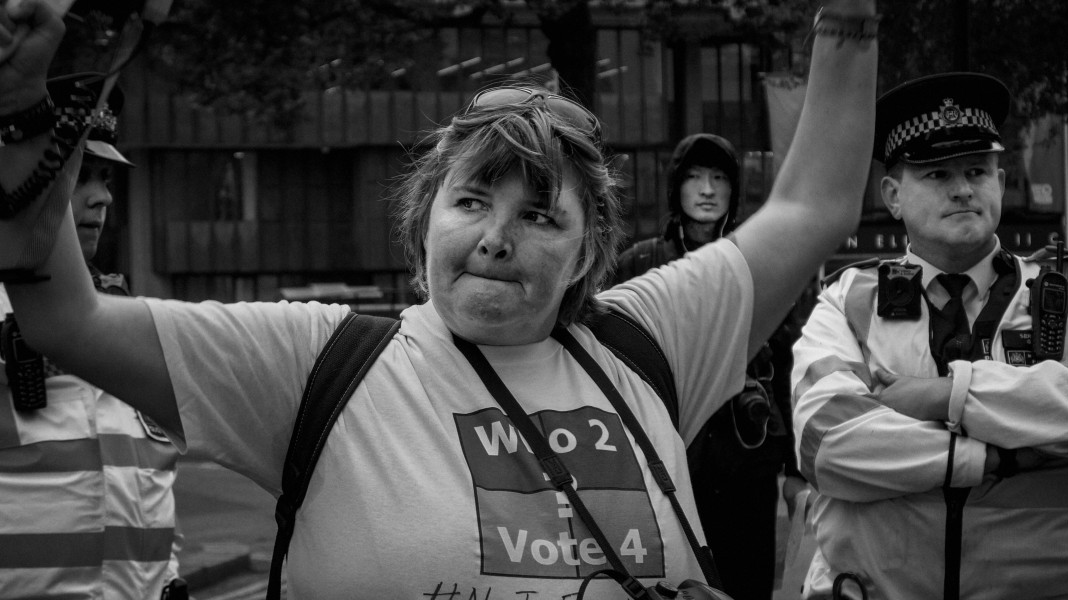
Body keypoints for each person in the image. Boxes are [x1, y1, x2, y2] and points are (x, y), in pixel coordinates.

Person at [0, 0, 878, 596]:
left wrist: (849, 16)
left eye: (539, 214)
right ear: (424, 219)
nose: (497, 236)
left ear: (586, 253)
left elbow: (813, 203)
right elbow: (63, 318)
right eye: (470, 202)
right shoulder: (317, 366)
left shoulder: (651, 341)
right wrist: (32, 92)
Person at [791, 71, 1068, 599]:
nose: (962, 188)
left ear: (1000, 183)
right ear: (893, 195)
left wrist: (943, 396)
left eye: (978, 170)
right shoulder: (848, 300)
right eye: (936, 174)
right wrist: (1001, 456)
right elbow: (827, 442)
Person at [0, 73, 184, 599]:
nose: (101, 198)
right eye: (82, 176)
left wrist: (169, 576)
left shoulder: (132, 319)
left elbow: (151, 482)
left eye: (106, 180)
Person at [612, 132, 813, 599]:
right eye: (695, 177)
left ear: (733, 191)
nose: (707, 189)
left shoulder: (759, 262)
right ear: (675, 188)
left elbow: (786, 366)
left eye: (719, 178)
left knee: (746, 583)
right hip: (665, 459)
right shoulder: (638, 263)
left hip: (748, 458)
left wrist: (795, 470)